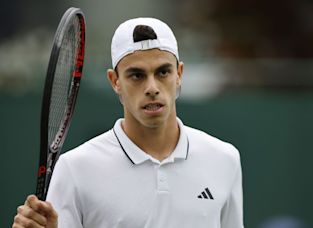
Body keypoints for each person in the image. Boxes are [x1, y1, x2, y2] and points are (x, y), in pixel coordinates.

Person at [12, 17, 243, 228]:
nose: (152, 88)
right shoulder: (75, 169)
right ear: (115, 81)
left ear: (179, 74)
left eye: (163, 72)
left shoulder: (225, 160)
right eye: (137, 75)